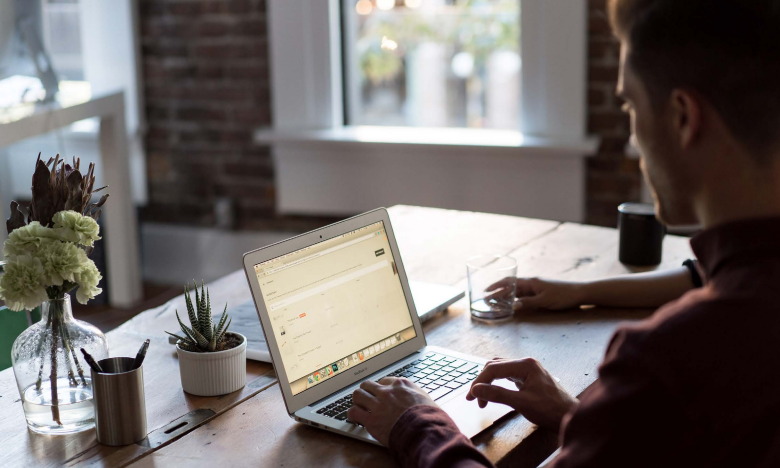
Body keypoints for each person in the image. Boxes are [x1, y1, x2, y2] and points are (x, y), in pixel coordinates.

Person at [347, 0, 780, 466]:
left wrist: (416, 422)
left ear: (682, 118)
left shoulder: (669, 361)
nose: (632, 142)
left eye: (631, 104)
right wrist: (582, 417)